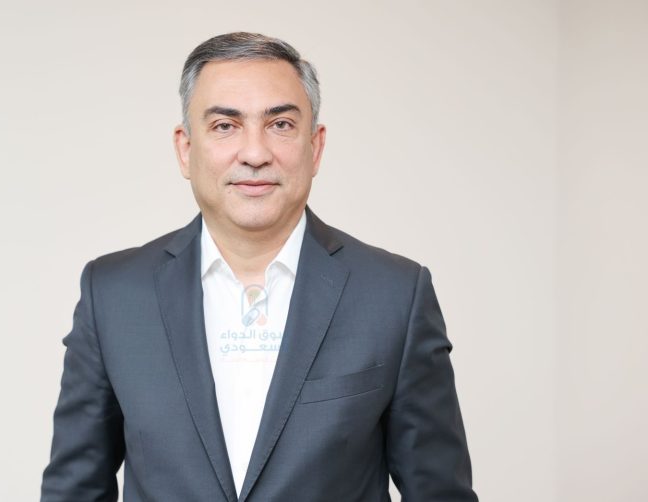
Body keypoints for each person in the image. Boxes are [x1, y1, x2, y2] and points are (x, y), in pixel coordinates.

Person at [40, 32, 478, 502]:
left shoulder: (395, 295)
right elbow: (73, 492)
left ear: (316, 146)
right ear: (186, 149)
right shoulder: (114, 295)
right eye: (225, 125)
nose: (254, 153)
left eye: (281, 124)